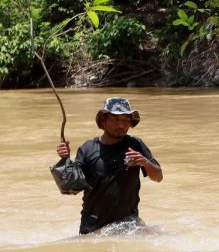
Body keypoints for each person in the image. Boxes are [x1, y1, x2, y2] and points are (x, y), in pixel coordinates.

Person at [55, 96, 163, 234]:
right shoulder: (87, 149)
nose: (121, 125)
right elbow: (71, 188)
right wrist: (65, 160)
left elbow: (158, 177)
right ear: (103, 120)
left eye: (126, 120)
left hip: (129, 224)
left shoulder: (135, 145)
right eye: (116, 119)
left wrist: (145, 162)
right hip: (94, 226)